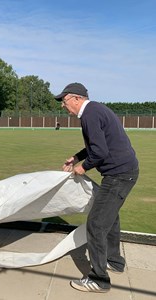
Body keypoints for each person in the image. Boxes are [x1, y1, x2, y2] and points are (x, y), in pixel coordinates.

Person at [54, 83, 139, 293]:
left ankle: (99, 279)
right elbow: (96, 145)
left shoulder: (89, 114)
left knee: (96, 224)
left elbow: (99, 152)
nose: (64, 107)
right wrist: (76, 157)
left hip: (119, 175)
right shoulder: (95, 110)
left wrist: (82, 167)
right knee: (111, 218)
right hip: (123, 172)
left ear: (76, 98)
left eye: (64, 102)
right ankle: (115, 261)